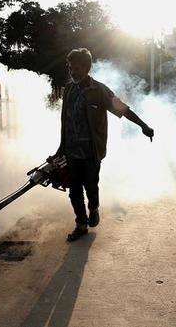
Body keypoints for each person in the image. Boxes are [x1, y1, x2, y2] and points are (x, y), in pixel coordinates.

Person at [51, 48, 154, 242]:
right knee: (74, 191)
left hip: (91, 151)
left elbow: (122, 109)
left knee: (91, 186)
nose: (74, 72)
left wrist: (143, 126)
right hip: (72, 151)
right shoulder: (69, 90)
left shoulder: (99, 90)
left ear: (87, 68)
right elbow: (65, 121)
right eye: (71, 68)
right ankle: (80, 225)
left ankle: (94, 208)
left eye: (78, 68)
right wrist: (61, 148)